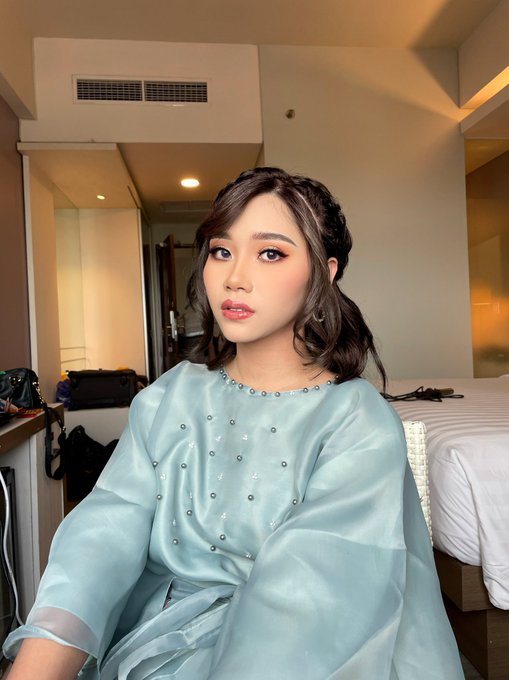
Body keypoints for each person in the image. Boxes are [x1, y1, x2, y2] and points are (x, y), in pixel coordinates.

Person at [4, 167, 464, 679]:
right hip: (150, 643)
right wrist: (40, 662)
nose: (234, 277)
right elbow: (104, 533)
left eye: (271, 253)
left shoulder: (357, 421)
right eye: (221, 251)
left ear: (325, 271)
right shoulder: (171, 395)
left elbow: (308, 602)